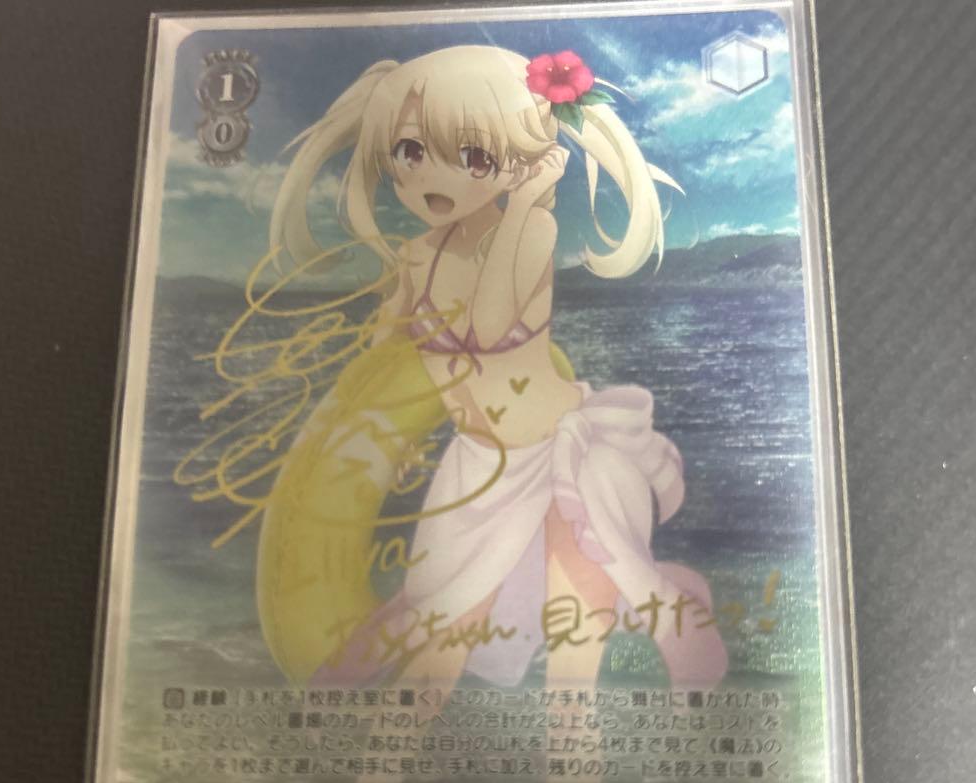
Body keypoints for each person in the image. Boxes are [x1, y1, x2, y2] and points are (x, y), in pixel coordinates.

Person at [257, 44, 727, 693]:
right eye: (411, 151)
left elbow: (487, 327)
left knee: (577, 626)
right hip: (478, 457)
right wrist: (383, 439)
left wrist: (527, 201)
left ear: (520, 161)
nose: (432, 176)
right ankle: (346, 710)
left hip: (553, 450)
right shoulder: (416, 256)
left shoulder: (532, 234)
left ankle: (671, 628)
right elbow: (390, 346)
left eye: (475, 158)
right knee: (434, 605)